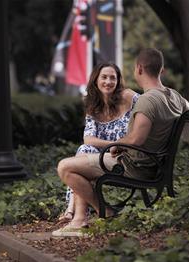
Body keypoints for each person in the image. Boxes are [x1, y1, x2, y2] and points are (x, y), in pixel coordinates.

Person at [52, 48, 189, 236]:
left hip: (134, 166)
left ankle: (98, 214)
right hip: (153, 163)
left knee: (65, 167)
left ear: (139, 68)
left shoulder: (145, 101)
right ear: (161, 70)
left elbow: (136, 139)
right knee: (83, 154)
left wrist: (116, 145)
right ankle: (84, 216)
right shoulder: (174, 96)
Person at [58, 62, 140, 224]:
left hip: (123, 155)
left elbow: (149, 107)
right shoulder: (92, 105)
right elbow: (88, 139)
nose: (108, 82)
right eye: (104, 77)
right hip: (103, 154)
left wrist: (122, 143)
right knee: (85, 148)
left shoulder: (128, 97)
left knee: (81, 157)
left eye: (112, 78)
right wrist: (113, 143)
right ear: (96, 80)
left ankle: (73, 210)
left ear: (118, 81)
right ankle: (92, 211)